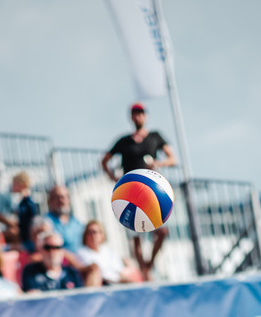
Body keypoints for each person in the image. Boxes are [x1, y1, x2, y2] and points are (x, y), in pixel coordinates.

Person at [101, 102, 177, 279]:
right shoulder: (124, 141)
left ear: (146, 116)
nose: (138, 116)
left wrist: (158, 163)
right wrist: (113, 178)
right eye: (135, 113)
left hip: (151, 193)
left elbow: (172, 159)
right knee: (136, 237)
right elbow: (104, 161)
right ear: (131, 117)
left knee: (162, 231)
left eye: (141, 113)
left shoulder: (155, 136)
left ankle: (148, 266)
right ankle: (145, 272)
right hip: (130, 193)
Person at [77, 220, 142, 285]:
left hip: (117, 282)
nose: (93, 235)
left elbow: (120, 271)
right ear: (85, 235)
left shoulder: (109, 251)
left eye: (95, 232)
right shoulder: (82, 253)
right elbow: (96, 273)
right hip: (104, 283)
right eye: (89, 232)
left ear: (102, 234)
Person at [45, 184, 84, 254]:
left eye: (65, 197)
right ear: (50, 201)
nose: (61, 200)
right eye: (57, 197)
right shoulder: (45, 222)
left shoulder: (77, 223)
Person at [13, 171, 39, 251]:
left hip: (29, 240)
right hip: (24, 238)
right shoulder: (22, 201)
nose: (12, 186)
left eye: (14, 184)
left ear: (22, 184)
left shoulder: (29, 201)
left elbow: (34, 219)